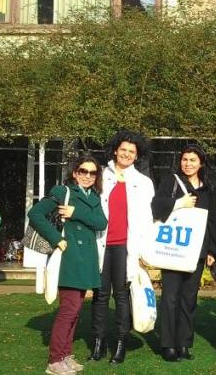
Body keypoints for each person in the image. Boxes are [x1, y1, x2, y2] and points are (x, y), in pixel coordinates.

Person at [28, 157, 108, 375]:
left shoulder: (94, 196)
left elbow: (102, 222)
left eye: (93, 173)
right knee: (69, 310)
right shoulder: (62, 191)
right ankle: (55, 360)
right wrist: (57, 239)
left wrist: (75, 213)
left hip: (87, 259)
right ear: (75, 172)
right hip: (70, 258)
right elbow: (35, 214)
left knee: (75, 311)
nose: (88, 176)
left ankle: (66, 355)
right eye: (83, 171)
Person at [151, 144, 216, 362]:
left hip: (197, 252)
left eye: (193, 160)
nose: (188, 164)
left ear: (201, 163)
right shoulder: (171, 182)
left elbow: (214, 220)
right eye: (185, 159)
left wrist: (212, 250)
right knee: (170, 298)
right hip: (173, 251)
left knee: (189, 299)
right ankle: (168, 345)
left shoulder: (208, 188)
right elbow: (155, 206)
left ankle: (183, 344)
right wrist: (179, 203)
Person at [89, 130, 155, 364]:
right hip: (101, 244)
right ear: (115, 151)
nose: (127, 154)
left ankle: (120, 344)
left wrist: (143, 252)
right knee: (100, 295)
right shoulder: (101, 175)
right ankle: (98, 343)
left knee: (121, 295)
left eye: (131, 151)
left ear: (137, 156)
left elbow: (146, 220)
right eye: (123, 149)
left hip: (125, 247)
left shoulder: (143, 183)